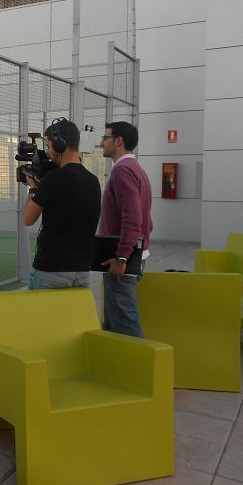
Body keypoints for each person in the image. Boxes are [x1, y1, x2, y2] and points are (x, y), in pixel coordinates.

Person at [22, 118, 101, 289]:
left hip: (51, 271)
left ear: (59, 145)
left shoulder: (53, 179)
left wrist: (33, 188)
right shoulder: (93, 181)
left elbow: (28, 219)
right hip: (81, 272)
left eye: (49, 146)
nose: (48, 153)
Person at [98, 121, 153, 338]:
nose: (101, 143)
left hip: (123, 262)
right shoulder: (136, 169)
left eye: (105, 137)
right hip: (130, 257)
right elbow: (146, 221)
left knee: (125, 324)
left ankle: (141, 369)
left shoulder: (122, 171)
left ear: (119, 141)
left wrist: (121, 258)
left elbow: (133, 218)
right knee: (114, 324)